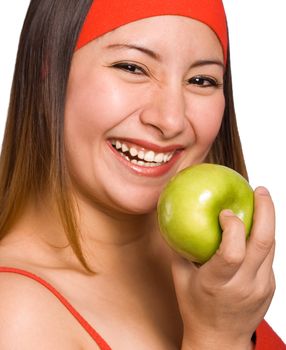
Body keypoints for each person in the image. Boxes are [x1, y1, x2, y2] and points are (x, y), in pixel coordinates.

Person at [0, 0, 284, 349]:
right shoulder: (15, 315)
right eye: (132, 67)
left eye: (201, 79)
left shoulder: (216, 280)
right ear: (47, 67)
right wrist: (218, 337)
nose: (171, 120)